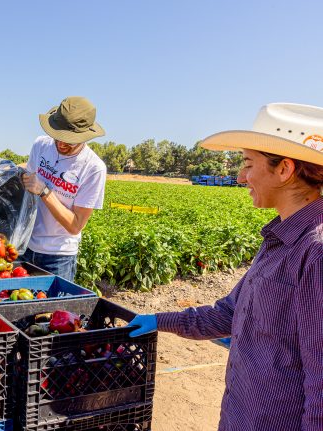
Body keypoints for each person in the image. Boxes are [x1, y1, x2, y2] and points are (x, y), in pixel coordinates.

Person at [127, 103, 323, 430]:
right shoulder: (281, 237)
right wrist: (158, 320)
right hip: (242, 414)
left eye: (248, 163)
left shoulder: (314, 252)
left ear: (285, 169)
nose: (241, 176)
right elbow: (230, 314)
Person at [21, 96, 107, 281]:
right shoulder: (41, 145)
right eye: (57, 137)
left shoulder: (93, 168)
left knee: (55, 310)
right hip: (25, 247)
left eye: (69, 141)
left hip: (57, 257)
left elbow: (75, 225)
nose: (61, 144)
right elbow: (28, 181)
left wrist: (44, 191)